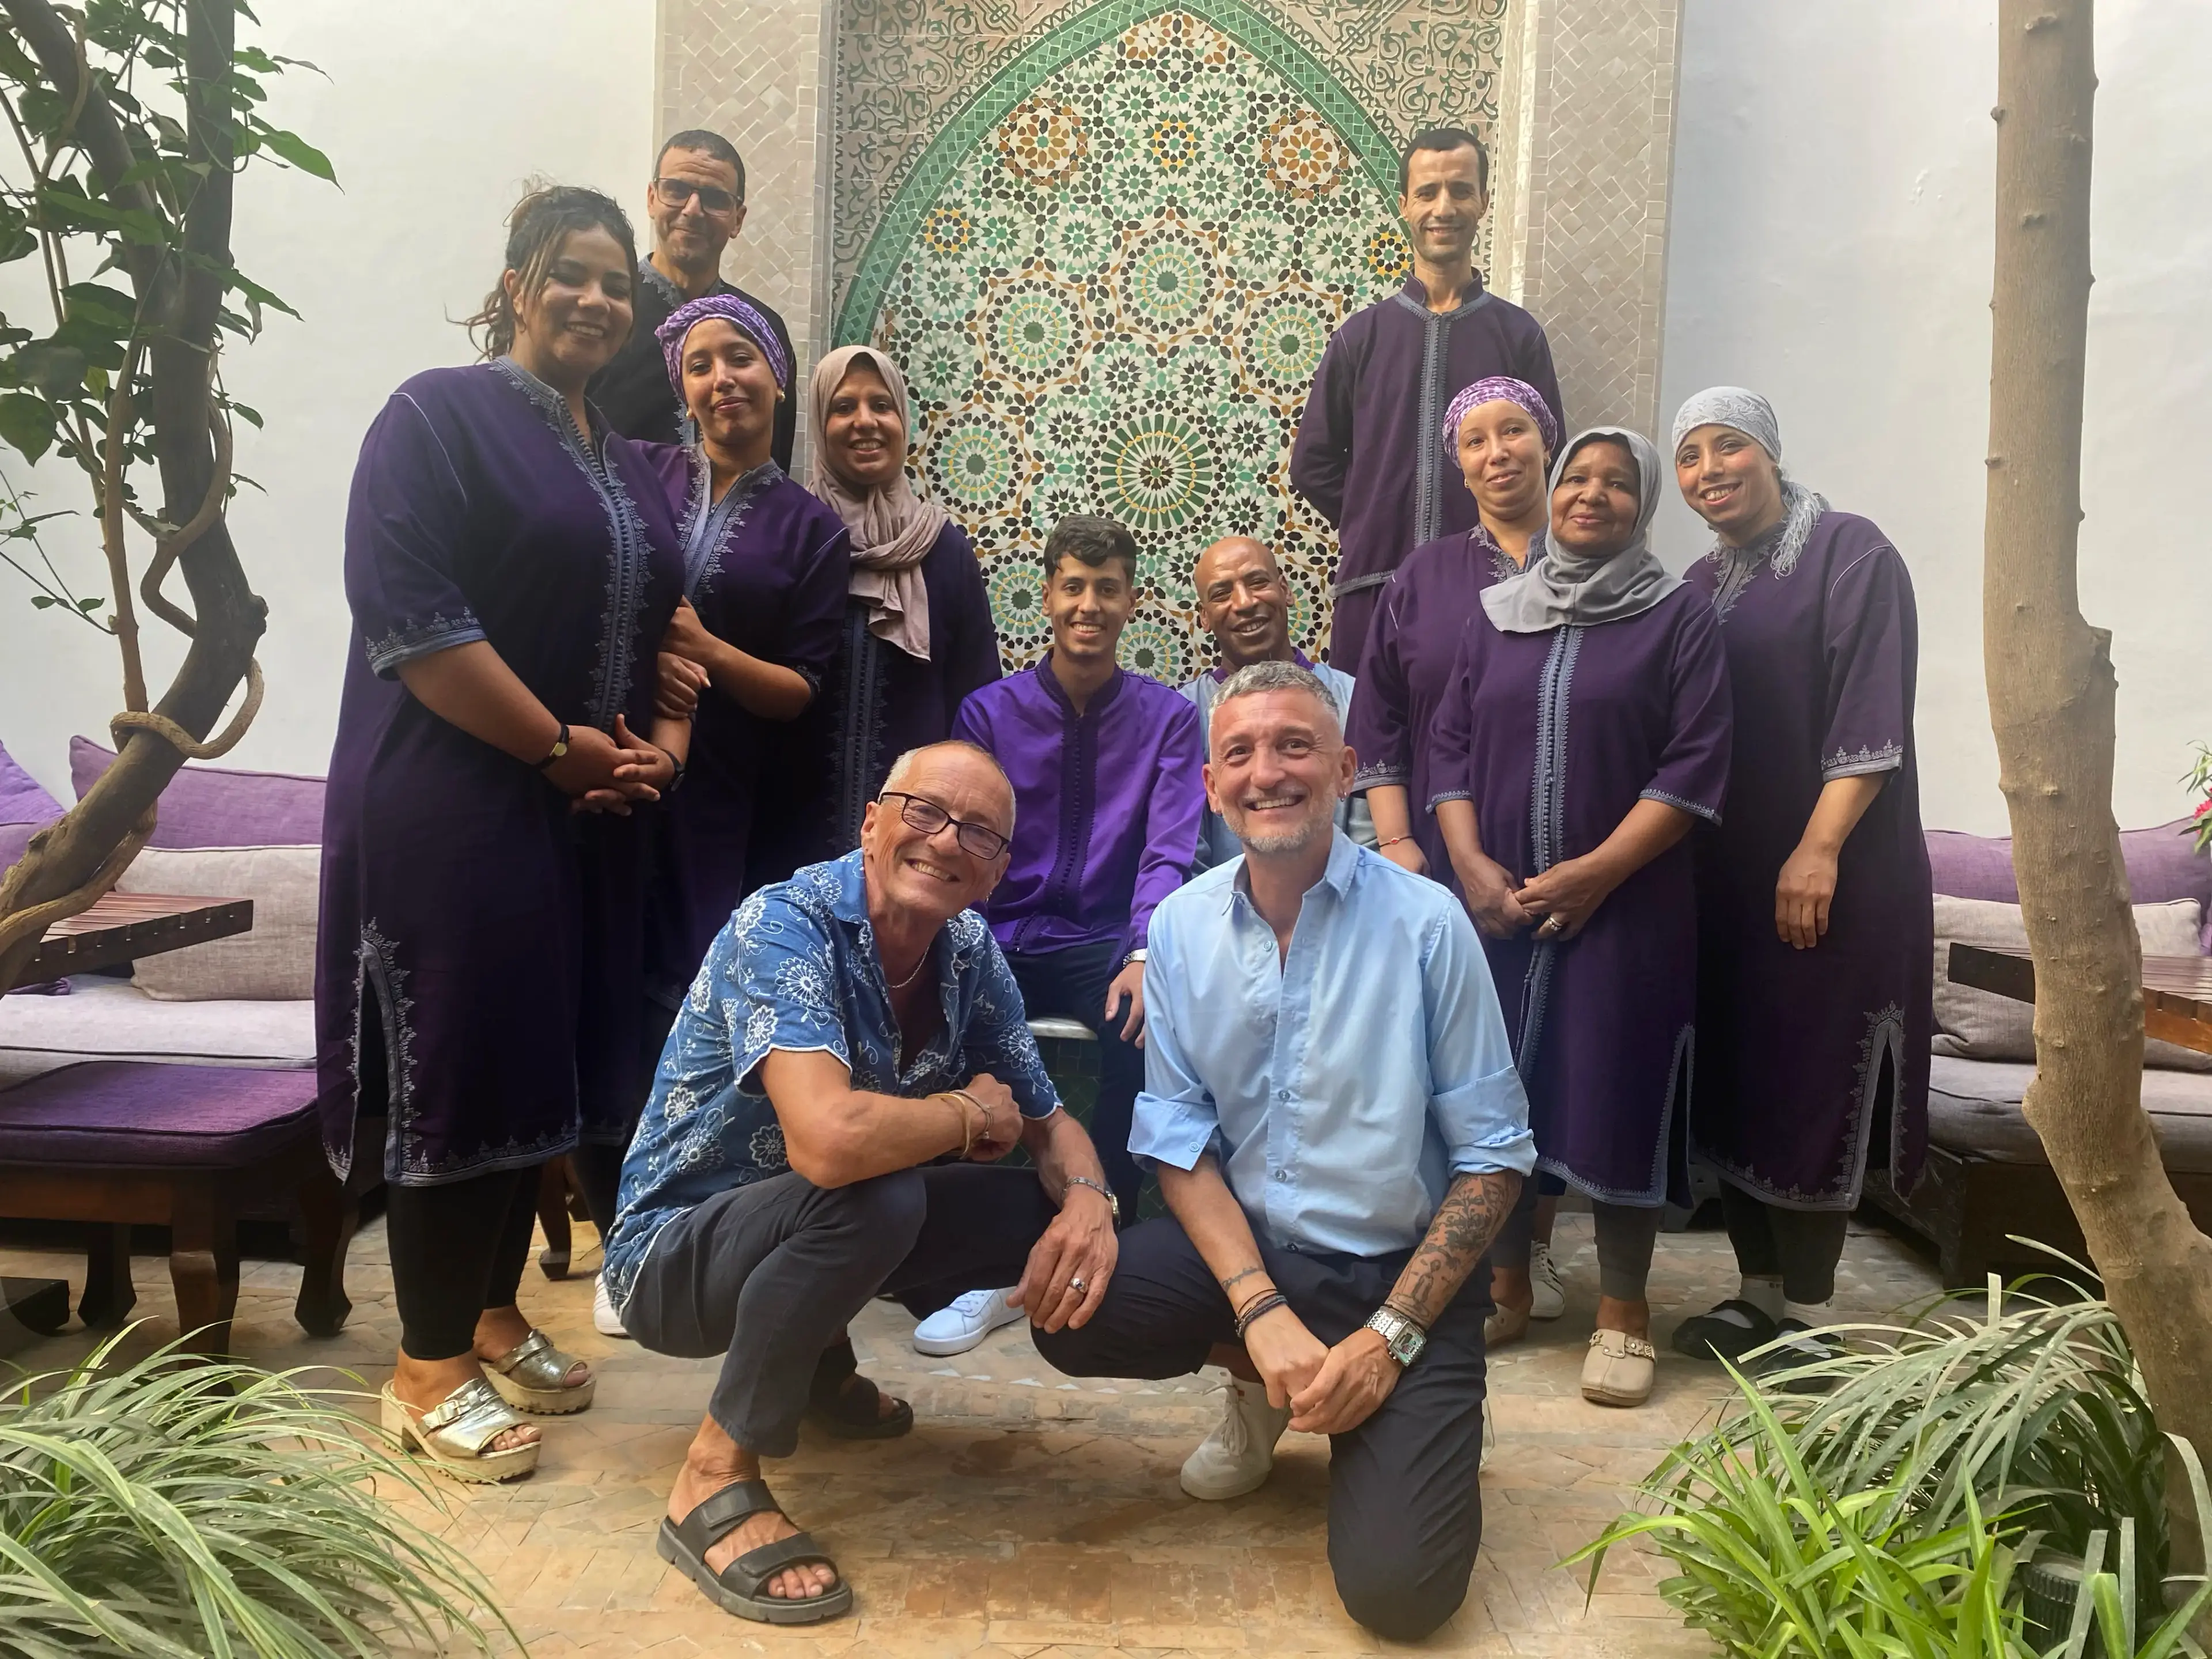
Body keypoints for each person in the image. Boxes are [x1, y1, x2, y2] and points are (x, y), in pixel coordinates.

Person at [1033, 660, 1534, 1642]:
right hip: (1254, 1260)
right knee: (1070, 1313)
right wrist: (1260, 1315)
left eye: (1296, 745)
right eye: (1242, 753)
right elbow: (1176, 1141)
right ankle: (1277, 1385)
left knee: (1402, 1599)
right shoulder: (1180, 930)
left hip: (1401, 1277)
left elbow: (1495, 1160)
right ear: (1213, 786)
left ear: (1345, 768)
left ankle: (1387, 1413)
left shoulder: (1429, 927)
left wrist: (1389, 1342)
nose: (1269, 772)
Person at [317, 185, 689, 1482]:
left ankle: (485, 1316)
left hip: (579, 813)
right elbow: (412, 623)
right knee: (464, 1064)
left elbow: (660, 636)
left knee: (543, 1067)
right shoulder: (435, 418)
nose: (596, 299)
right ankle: (422, 1369)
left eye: (617, 284)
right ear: (521, 282)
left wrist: (652, 742)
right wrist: (552, 747)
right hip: (452, 798)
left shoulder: (626, 459)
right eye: (571, 274)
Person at [601, 741, 1120, 1624]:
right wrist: (965, 1115)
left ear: (995, 873)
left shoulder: (967, 951)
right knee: (880, 1190)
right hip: (674, 1260)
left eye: (981, 833)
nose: (948, 841)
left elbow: (1049, 1122)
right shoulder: (786, 925)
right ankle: (712, 1476)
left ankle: (815, 1367)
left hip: (803, 1226)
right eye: (924, 811)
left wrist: (1090, 1205)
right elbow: (830, 1146)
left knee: (1029, 1202)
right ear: (872, 821)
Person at [1427, 426, 1733, 1410]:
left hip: (1632, 910)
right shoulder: (1494, 616)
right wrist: (1471, 865)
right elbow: (1450, 748)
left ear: (1642, 506)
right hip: (1503, 908)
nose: (1591, 495)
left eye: (1616, 483)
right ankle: (1510, 1284)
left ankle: (1624, 1313)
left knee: (1618, 1088)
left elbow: (1693, 768)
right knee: (1500, 1093)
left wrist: (1597, 874)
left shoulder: (1680, 618)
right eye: (1579, 480)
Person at [578, 292, 850, 1340]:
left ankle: (691, 1240)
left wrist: (701, 647)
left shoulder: (810, 527)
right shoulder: (634, 470)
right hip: (606, 785)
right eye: (701, 364)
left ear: (778, 378)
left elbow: (799, 690)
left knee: (693, 1022)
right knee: (607, 1009)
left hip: (727, 813)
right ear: (680, 384)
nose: (722, 380)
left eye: (742, 359)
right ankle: (619, 1242)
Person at [1664, 387, 1931, 1367]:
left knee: (1813, 1074)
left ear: (1769, 451)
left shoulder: (1851, 554)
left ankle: (1812, 1318)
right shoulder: (1701, 581)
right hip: (1730, 881)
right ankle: (1756, 1293)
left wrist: (1818, 849)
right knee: (1742, 1076)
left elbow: (1871, 721)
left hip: (1836, 875)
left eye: (1727, 446)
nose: (1708, 470)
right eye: (1689, 456)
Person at [927, 516, 1204, 1355]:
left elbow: (1168, 848)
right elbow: (966, 840)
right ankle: (979, 1264)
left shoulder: (1168, 720)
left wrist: (1144, 950)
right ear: (1048, 596)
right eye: (1074, 587)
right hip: (999, 930)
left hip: (1100, 941)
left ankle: (1098, 1229)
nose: (1089, 605)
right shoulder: (989, 712)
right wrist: (966, 951)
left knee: (1146, 1023)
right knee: (949, 1032)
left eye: (1108, 589)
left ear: (1132, 603)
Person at [1349, 376, 1568, 1331]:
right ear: (1458, 462)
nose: (1498, 453)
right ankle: (1469, 1256)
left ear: (1545, 441)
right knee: (1461, 1058)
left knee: (1562, 1048)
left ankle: (1541, 1248)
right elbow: (1383, 722)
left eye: (1513, 431)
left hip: (1573, 856)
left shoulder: (1602, 562)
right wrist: (1398, 843)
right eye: (1475, 440)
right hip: (1445, 865)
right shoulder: (1425, 575)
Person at [1291, 128, 1563, 672]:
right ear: (1404, 206)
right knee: (1369, 748)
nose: (1445, 207)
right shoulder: (1360, 338)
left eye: (1461, 191)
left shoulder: (1517, 335)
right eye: (1428, 192)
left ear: (1484, 202)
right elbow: (1312, 464)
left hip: (1497, 591)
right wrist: (1373, 519)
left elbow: (1553, 463)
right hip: (1375, 590)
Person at [746, 344, 1003, 884]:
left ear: (903, 419)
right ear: (819, 421)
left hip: (916, 844)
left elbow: (976, 702)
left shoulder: (943, 551)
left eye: (881, 405)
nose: (865, 422)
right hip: (783, 832)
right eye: (844, 407)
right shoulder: (790, 535)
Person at [589, 129, 797, 467]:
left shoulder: (764, 329)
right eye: (677, 190)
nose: (693, 210)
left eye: (715, 199)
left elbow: (774, 466)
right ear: (652, 198)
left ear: (737, 219)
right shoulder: (607, 311)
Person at [1180, 535, 1372, 871]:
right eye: (1222, 594)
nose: (1244, 602)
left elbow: (1372, 838)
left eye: (1257, 582)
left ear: (1285, 590)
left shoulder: (1355, 699)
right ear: (1204, 618)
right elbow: (1186, 851)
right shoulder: (1182, 715)